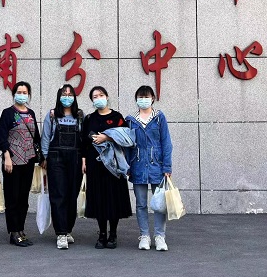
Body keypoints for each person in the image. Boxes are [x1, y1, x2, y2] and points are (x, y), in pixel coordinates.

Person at [82, 86, 132, 249]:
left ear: (107, 96)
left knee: (113, 198)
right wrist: (84, 160)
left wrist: (107, 137)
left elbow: (126, 136)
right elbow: (84, 142)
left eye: (101, 95)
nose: (98, 98)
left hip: (114, 165)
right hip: (95, 163)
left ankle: (113, 234)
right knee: (99, 198)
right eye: (95, 97)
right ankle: (102, 233)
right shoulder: (89, 118)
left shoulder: (117, 117)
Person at [125, 85, 173, 251]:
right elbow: (127, 145)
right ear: (136, 99)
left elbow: (166, 142)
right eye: (140, 97)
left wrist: (167, 166)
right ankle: (144, 235)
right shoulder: (131, 120)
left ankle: (160, 236)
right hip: (137, 165)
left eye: (146, 97)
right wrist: (127, 165)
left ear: (153, 98)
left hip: (157, 166)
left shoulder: (159, 117)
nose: (143, 100)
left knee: (159, 204)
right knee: (140, 204)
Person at [0, 81, 41, 247]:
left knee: (23, 198)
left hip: (28, 160)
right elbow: (1, 136)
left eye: (25, 92)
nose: (22, 95)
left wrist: (40, 157)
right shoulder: (8, 113)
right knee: (12, 197)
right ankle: (13, 232)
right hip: (13, 161)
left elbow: (36, 136)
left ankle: (21, 229)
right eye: (19, 92)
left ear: (28, 95)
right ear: (14, 94)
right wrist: (6, 156)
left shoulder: (31, 113)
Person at [40, 84, 84, 250]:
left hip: (75, 158)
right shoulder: (52, 115)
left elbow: (84, 139)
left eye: (70, 94)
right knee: (59, 194)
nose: (67, 97)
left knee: (72, 195)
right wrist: (44, 157)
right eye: (64, 94)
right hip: (56, 158)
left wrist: (84, 160)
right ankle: (60, 233)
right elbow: (45, 137)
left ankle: (68, 229)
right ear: (59, 97)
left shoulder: (79, 116)